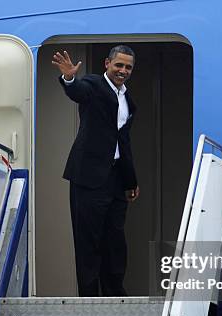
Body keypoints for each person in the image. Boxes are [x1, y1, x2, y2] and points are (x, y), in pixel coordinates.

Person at [52, 45, 140, 297]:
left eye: (128, 67)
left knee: (115, 240)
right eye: (119, 65)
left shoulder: (127, 100)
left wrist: (130, 180)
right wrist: (69, 78)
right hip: (88, 177)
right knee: (88, 240)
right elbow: (77, 91)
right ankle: (89, 298)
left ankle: (114, 294)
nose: (123, 71)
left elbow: (123, 143)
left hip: (115, 179)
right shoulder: (93, 85)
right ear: (107, 64)